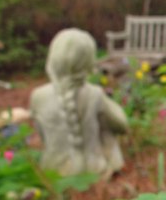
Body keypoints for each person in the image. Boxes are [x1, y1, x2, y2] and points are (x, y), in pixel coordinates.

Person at [30, 28, 128, 178]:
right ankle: (112, 170)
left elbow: (43, 136)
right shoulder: (94, 93)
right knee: (107, 128)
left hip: (52, 172)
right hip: (92, 171)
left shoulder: (37, 96)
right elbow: (121, 125)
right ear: (88, 61)